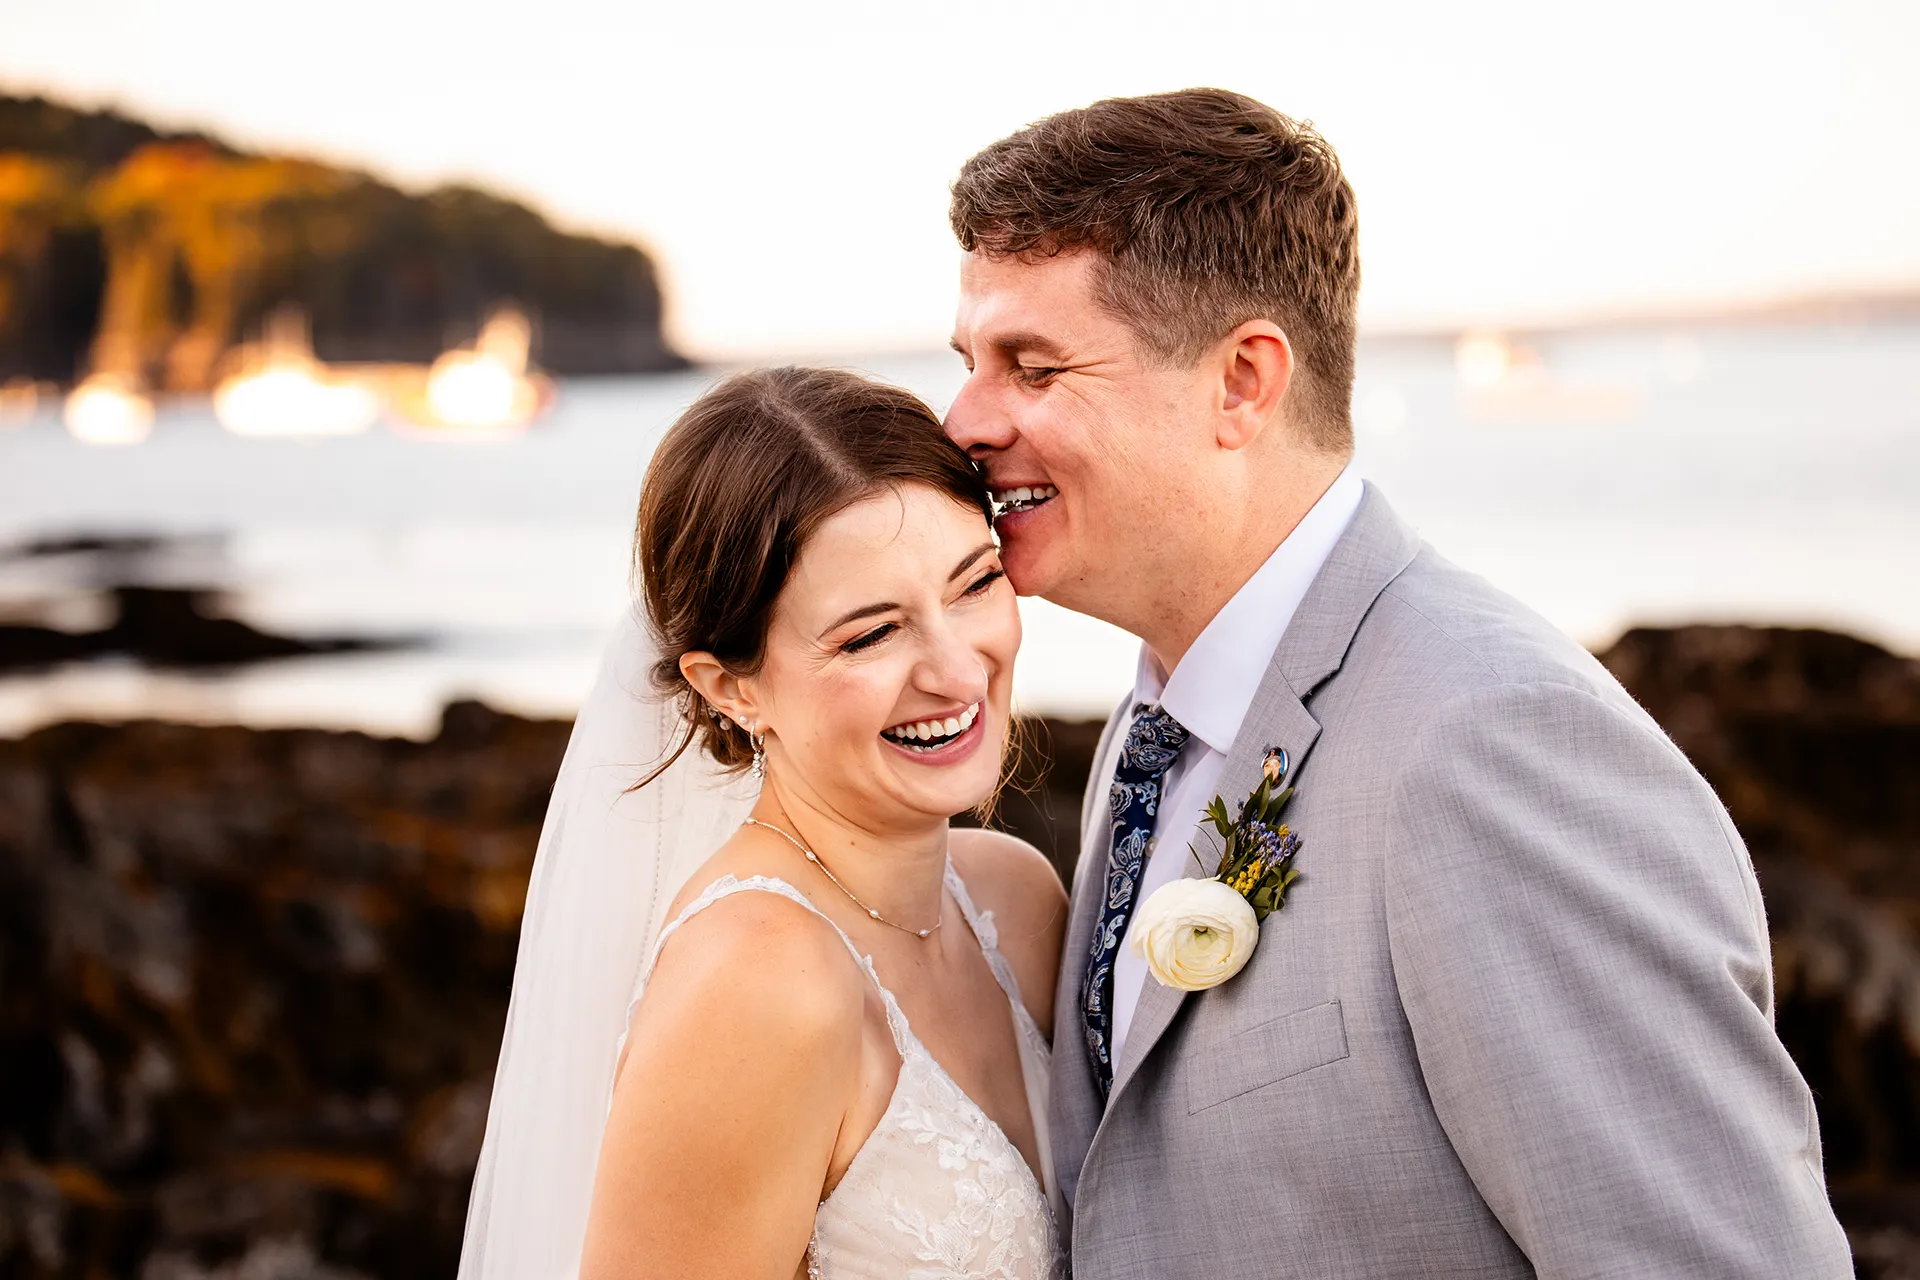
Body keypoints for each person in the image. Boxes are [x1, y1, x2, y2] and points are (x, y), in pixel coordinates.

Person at [944, 88, 1853, 1277]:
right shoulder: (1155, 728)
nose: (963, 416)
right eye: (969, 361)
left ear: (1243, 382)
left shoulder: (1490, 741)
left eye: (1034, 365)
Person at [459, 367, 1067, 1279]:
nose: (956, 669)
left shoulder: (1016, 901)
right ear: (730, 686)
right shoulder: (760, 977)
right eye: (871, 635)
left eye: (975, 582)